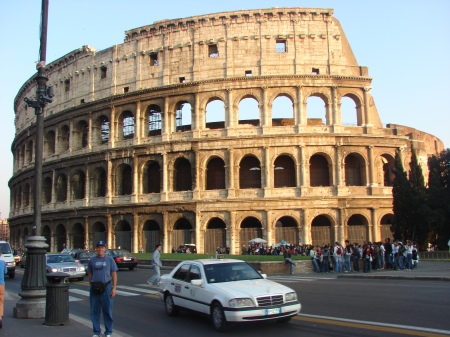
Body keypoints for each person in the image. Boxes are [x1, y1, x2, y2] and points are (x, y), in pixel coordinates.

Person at [87, 241, 118, 337]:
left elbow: (113, 274)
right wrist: (92, 284)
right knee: (94, 311)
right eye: (98, 247)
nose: (100, 249)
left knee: (107, 311)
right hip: (95, 288)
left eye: (102, 247)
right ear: (96, 249)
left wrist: (114, 288)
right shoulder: (92, 260)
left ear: (105, 249)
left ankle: (108, 332)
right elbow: (90, 274)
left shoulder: (109, 259)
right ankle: (96, 332)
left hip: (107, 287)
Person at [0, 252, 8, 328]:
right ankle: (0, 316)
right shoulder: (2, 263)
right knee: (1, 301)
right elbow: (6, 272)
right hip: (1, 284)